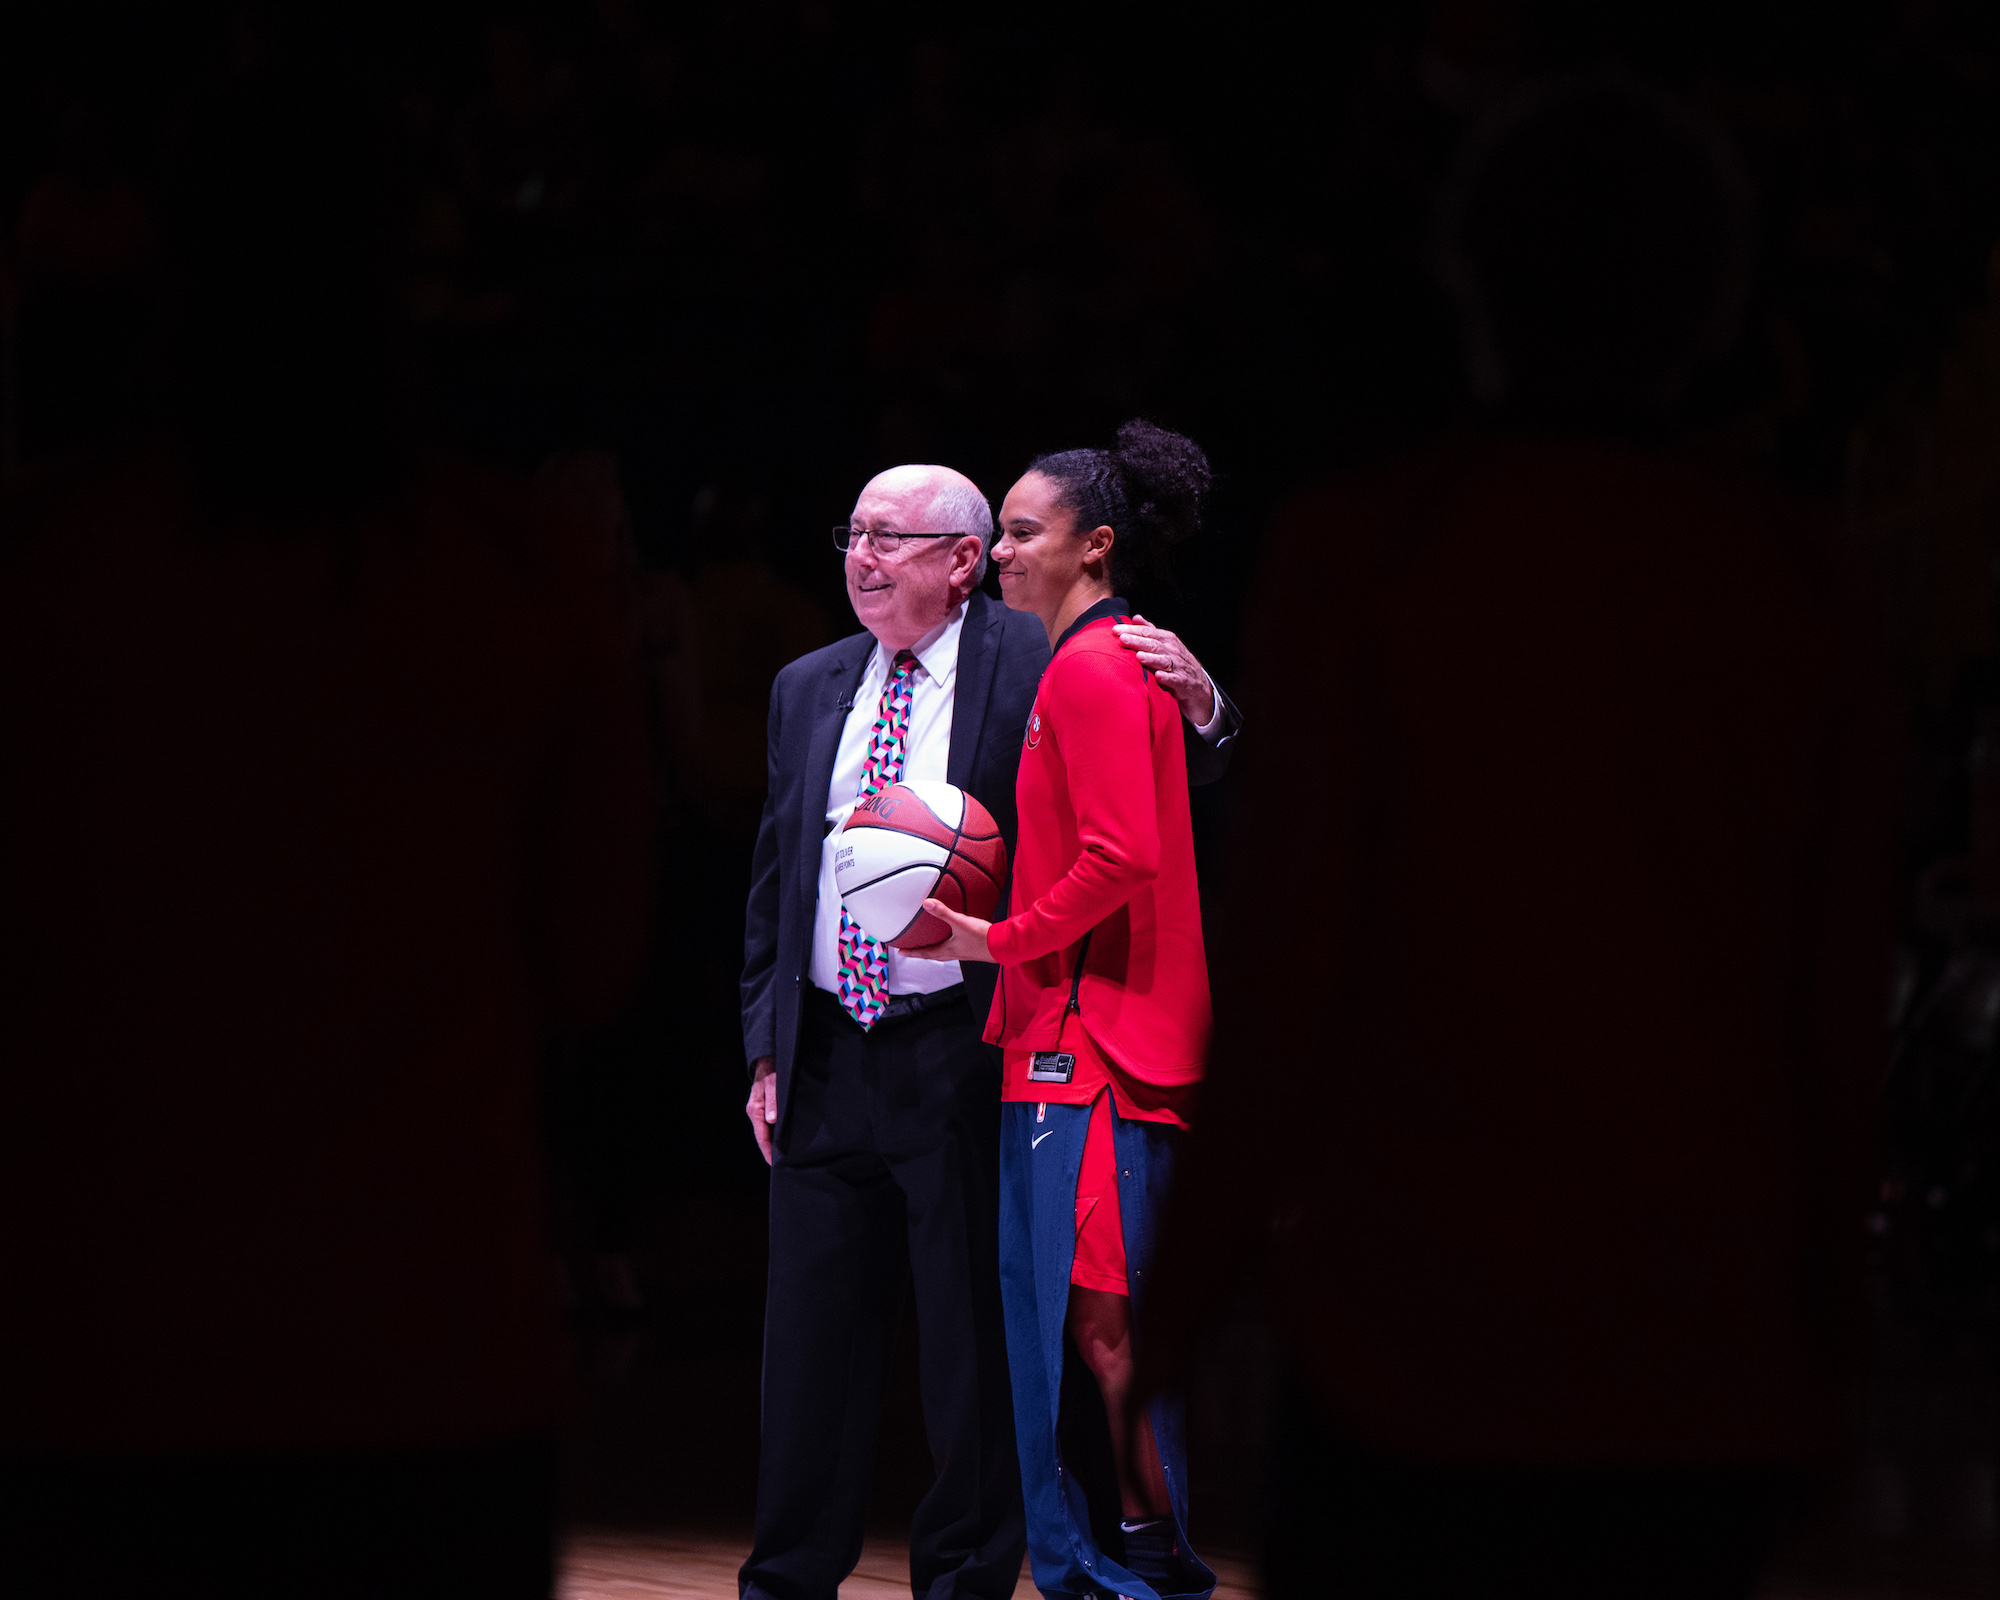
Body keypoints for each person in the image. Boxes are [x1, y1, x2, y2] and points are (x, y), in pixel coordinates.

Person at [1135, 74, 1899, 1599]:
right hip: (1700, 1348)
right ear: (1717, 297)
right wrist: (1834, 1330)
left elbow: (1295, 975)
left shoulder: (1365, 557)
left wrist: (1171, 1316)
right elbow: (1835, 1013)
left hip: (1412, 1345)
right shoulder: (1806, 588)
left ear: (1465, 276)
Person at [0, 58, 654, 1600]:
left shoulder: (48, 577)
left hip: (103, 1365)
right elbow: (597, 956)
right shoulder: (524, 578)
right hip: (429, 1367)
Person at [738, 463, 1238, 1600]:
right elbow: (775, 877)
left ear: (962, 562)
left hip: (965, 1047)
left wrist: (1207, 703)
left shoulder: (1042, 652)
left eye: (889, 538)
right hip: (823, 1049)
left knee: (979, 1353)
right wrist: (765, 1041)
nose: (860, 557)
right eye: (849, 534)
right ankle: (781, 1584)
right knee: (807, 1357)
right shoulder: (804, 685)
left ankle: (982, 1580)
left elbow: (1163, 768)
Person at [915, 421, 1220, 1600]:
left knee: (1092, 1333)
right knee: (1075, 1327)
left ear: (1093, 547)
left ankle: (1137, 1568)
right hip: (1062, 1043)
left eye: (1020, 532)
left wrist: (998, 939)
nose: (997, 552)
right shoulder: (1099, 662)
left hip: (1088, 1052)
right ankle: (1120, 1562)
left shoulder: (1092, 666)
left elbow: (1122, 854)